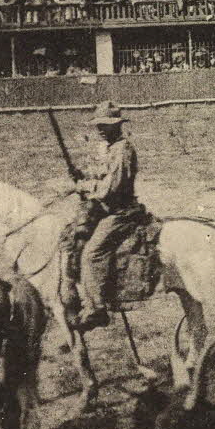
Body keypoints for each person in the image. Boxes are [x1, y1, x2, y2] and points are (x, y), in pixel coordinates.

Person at [59, 101, 140, 330]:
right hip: (107, 208)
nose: (100, 129)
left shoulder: (123, 149)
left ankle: (97, 309)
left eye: (105, 124)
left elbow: (109, 189)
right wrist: (82, 174)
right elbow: (103, 174)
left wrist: (83, 187)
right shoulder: (111, 148)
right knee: (70, 235)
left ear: (117, 126)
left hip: (121, 212)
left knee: (92, 254)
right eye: (98, 125)